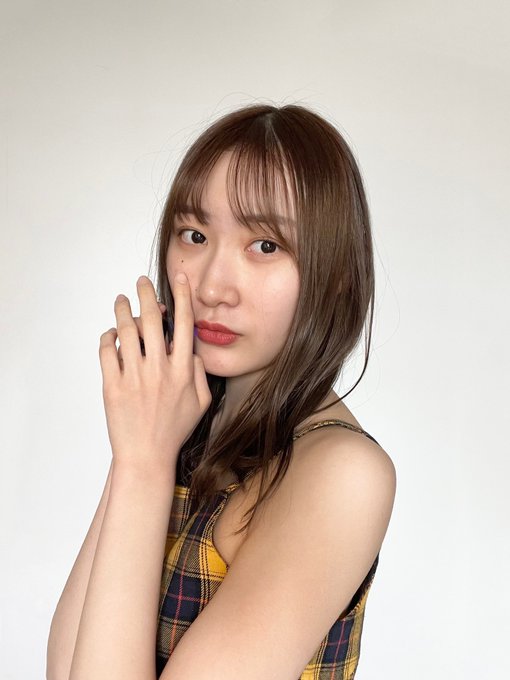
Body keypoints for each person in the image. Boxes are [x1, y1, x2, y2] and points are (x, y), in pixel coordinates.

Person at [47, 103, 396, 680]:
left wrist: (143, 463)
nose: (211, 287)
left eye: (266, 246)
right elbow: (66, 669)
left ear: (336, 273)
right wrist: (138, 450)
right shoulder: (181, 432)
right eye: (195, 235)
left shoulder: (341, 472)